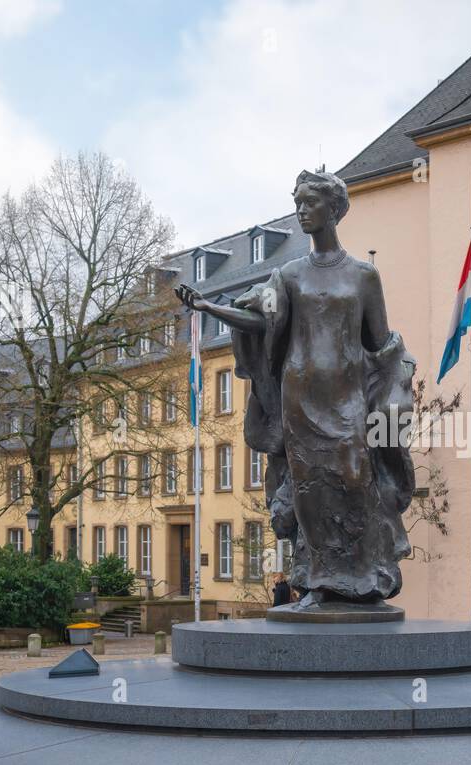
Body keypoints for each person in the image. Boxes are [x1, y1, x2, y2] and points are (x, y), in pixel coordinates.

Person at [177, 170, 414, 613]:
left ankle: (368, 578)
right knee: (309, 489)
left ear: (335, 210)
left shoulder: (364, 276)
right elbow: (263, 321)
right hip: (299, 394)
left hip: (348, 397)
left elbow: (380, 341)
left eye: (310, 203)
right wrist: (211, 307)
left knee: (354, 480)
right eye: (298, 203)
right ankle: (317, 584)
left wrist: (396, 385)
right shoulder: (288, 274)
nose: (302, 211)